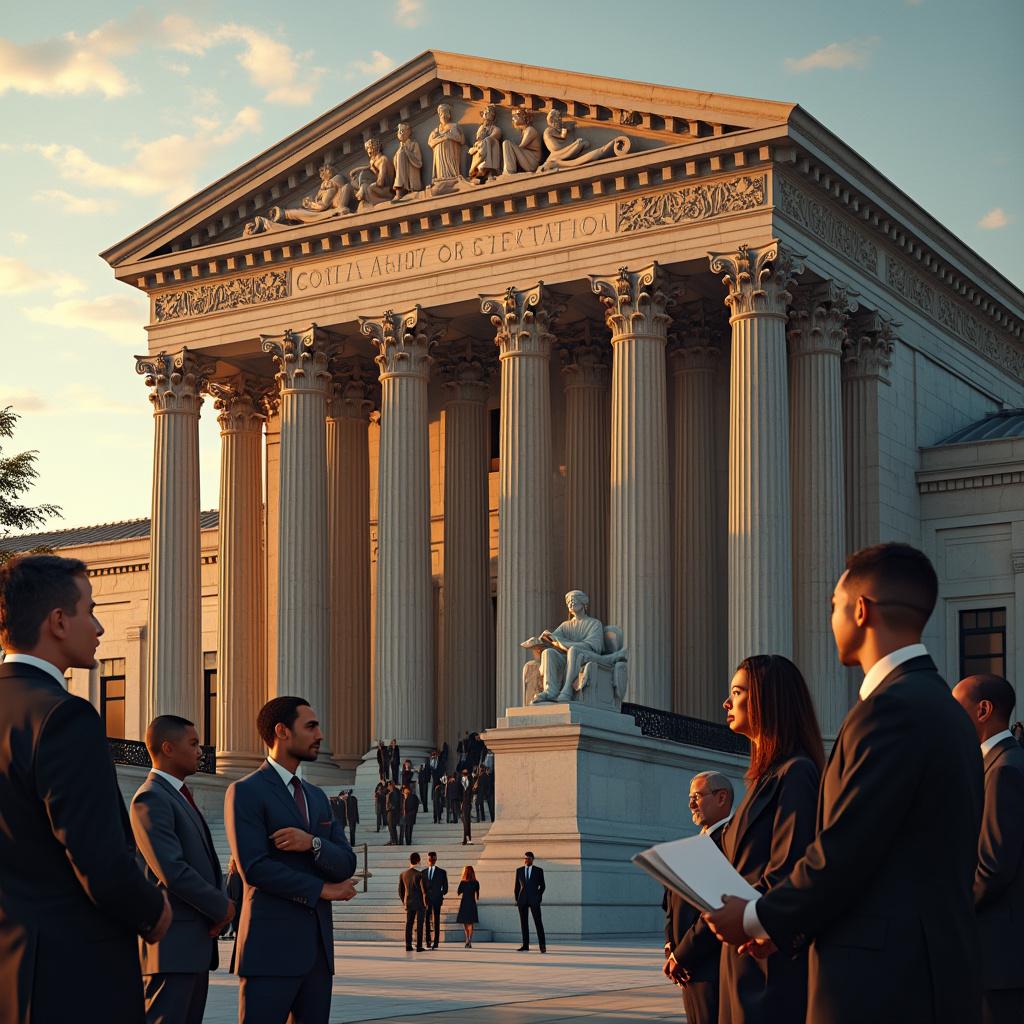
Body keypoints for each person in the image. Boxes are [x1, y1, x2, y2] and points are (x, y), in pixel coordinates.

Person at [704, 543, 984, 1024]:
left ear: (860, 609)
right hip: (933, 972)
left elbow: (844, 850)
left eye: (833, 606)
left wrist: (755, 917)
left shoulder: (887, 712)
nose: (830, 617)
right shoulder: (945, 710)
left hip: (879, 982)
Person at [0, 555, 170, 1024]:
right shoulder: (64, 716)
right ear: (58, 621)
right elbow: (97, 855)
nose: (98, 627)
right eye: (90, 610)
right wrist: (153, 912)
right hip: (69, 976)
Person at [225, 696, 358, 1024]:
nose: (320, 734)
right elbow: (254, 868)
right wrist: (322, 890)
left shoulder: (317, 797)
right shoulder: (245, 791)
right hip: (269, 953)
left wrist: (311, 843)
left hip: (318, 956)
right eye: (310, 726)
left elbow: (346, 862)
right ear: (282, 731)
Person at [709, 654, 823, 1024]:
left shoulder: (797, 773)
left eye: (737, 692)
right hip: (744, 958)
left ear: (767, 701)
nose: (726, 703)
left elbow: (790, 869)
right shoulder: (763, 779)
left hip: (767, 961)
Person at [131, 714, 234, 1024]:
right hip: (171, 949)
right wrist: (222, 907)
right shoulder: (151, 798)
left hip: (191, 946)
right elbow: (172, 870)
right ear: (168, 748)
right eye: (193, 744)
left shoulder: (176, 796)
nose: (200, 751)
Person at [952, 674, 1024, 1024]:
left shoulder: (1004, 770)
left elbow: (993, 867)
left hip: (999, 957)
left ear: (983, 710)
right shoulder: (993, 764)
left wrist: (951, 909)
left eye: (956, 706)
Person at [664, 771, 735, 1024]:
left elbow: (717, 909)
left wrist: (682, 955)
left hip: (712, 968)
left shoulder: (730, 845)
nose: (691, 804)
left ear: (721, 797)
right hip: (687, 969)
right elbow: (670, 903)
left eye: (697, 796)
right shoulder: (692, 846)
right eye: (690, 797)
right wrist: (670, 948)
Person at [515, 852, 547, 952]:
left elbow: (543, 886)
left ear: (533, 859)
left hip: (534, 900)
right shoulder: (519, 870)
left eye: (529, 858)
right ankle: (525, 945)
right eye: (525, 858)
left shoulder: (538, 870)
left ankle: (542, 946)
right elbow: (516, 887)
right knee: (523, 923)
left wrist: (538, 897)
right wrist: (517, 899)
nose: (527, 860)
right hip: (522, 900)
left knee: (538, 923)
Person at [398, 852, 427, 952]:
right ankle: (419, 946)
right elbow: (424, 890)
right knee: (419, 924)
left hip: (409, 902)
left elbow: (400, 891)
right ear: (418, 860)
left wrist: (404, 901)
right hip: (420, 903)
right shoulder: (420, 874)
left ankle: (408, 945)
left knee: (409, 924)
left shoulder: (403, 874)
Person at [422, 851, 449, 949]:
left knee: (436, 921)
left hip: (437, 900)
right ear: (427, 859)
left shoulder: (442, 872)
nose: (431, 861)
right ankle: (428, 941)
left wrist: (440, 894)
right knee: (427, 921)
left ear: (436, 859)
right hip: (426, 900)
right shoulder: (423, 872)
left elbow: (445, 888)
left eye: (433, 859)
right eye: (430, 859)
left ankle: (436, 942)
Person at [457, 866, 480, 947]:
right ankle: (469, 940)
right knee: (471, 923)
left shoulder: (463, 882)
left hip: (464, 903)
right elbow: (477, 895)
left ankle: (467, 938)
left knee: (465, 922)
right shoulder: (476, 882)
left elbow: (458, 892)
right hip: (472, 903)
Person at [460, 769, 474, 845]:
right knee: (465, 822)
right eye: (464, 774)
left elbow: (471, 792)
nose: (465, 775)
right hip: (463, 804)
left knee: (467, 822)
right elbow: (459, 792)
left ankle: (467, 839)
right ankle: (466, 839)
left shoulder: (470, 781)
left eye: (466, 774)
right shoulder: (460, 782)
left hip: (468, 804)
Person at [385, 781, 401, 845]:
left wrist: (389, 808)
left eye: (389, 785)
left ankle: (394, 841)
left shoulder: (393, 793)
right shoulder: (391, 792)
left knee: (391, 827)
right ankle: (393, 840)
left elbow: (394, 803)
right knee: (391, 827)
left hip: (392, 812)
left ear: (392, 785)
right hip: (391, 811)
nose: (388, 786)